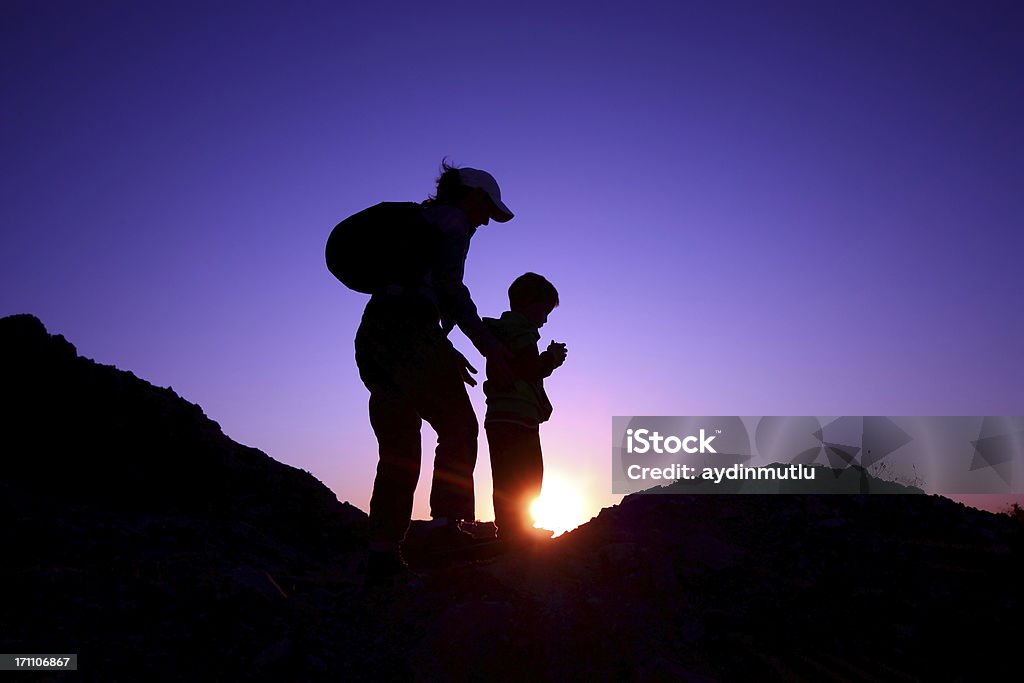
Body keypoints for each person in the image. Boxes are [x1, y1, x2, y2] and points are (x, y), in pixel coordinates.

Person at [355, 161, 515, 582]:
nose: (485, 221)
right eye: (487, 209)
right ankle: (446, 527)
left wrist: (440, 346)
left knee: (399, 448)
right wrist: (489, 346)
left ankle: (383, 552)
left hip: (375, 335)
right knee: (459, 426)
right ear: (471, 195)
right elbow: (451, 289)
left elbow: (412, 294)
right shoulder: (453, 219)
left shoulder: (420, 222)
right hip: (412, 333)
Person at [482, 273, 568, 546]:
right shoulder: (520, 332)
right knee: (526, 475)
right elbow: (529, 370)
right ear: (528, 303)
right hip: (516, 416)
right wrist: (551, 359)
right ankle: (516, 531)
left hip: (506, 415)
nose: (544, 319)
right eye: (543, 311)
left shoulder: (505, 332)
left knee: (508, 475)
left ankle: (511, 530)